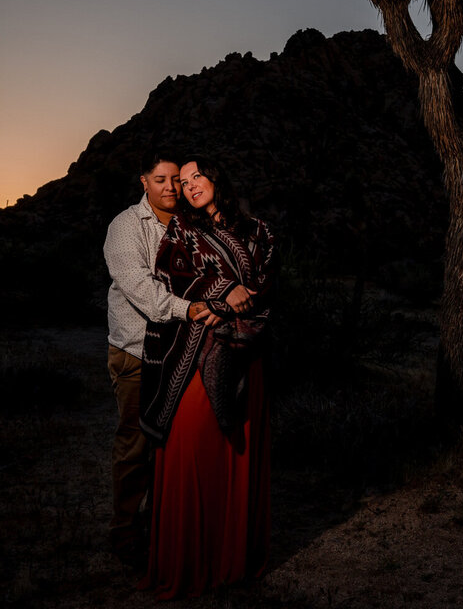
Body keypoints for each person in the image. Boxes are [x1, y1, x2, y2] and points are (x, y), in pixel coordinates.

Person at [138, 155, 276, 597]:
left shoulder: (259, 231)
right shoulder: (182, 229)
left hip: (245, 353)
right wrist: (221, 293)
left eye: (198, 175)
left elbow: (267, 287)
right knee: (189, 443)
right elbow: (170, 276)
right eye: (183, 180)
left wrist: (241, 302)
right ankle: (190, 561)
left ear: (216, 177)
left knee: (235, 454)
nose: (190, 184)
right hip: (195, 351)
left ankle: (231, 559)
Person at [102, 149, 215, 568]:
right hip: (136, 351)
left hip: (185, 352)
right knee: (136, 445)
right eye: (162, 180)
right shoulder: (125, 227)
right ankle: (125, 533)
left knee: (174, 444)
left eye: (177, 181)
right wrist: (192, 310)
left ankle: (166, 527)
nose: (172, 188)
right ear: (144, 183)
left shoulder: (193, 225)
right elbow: (140, 288)